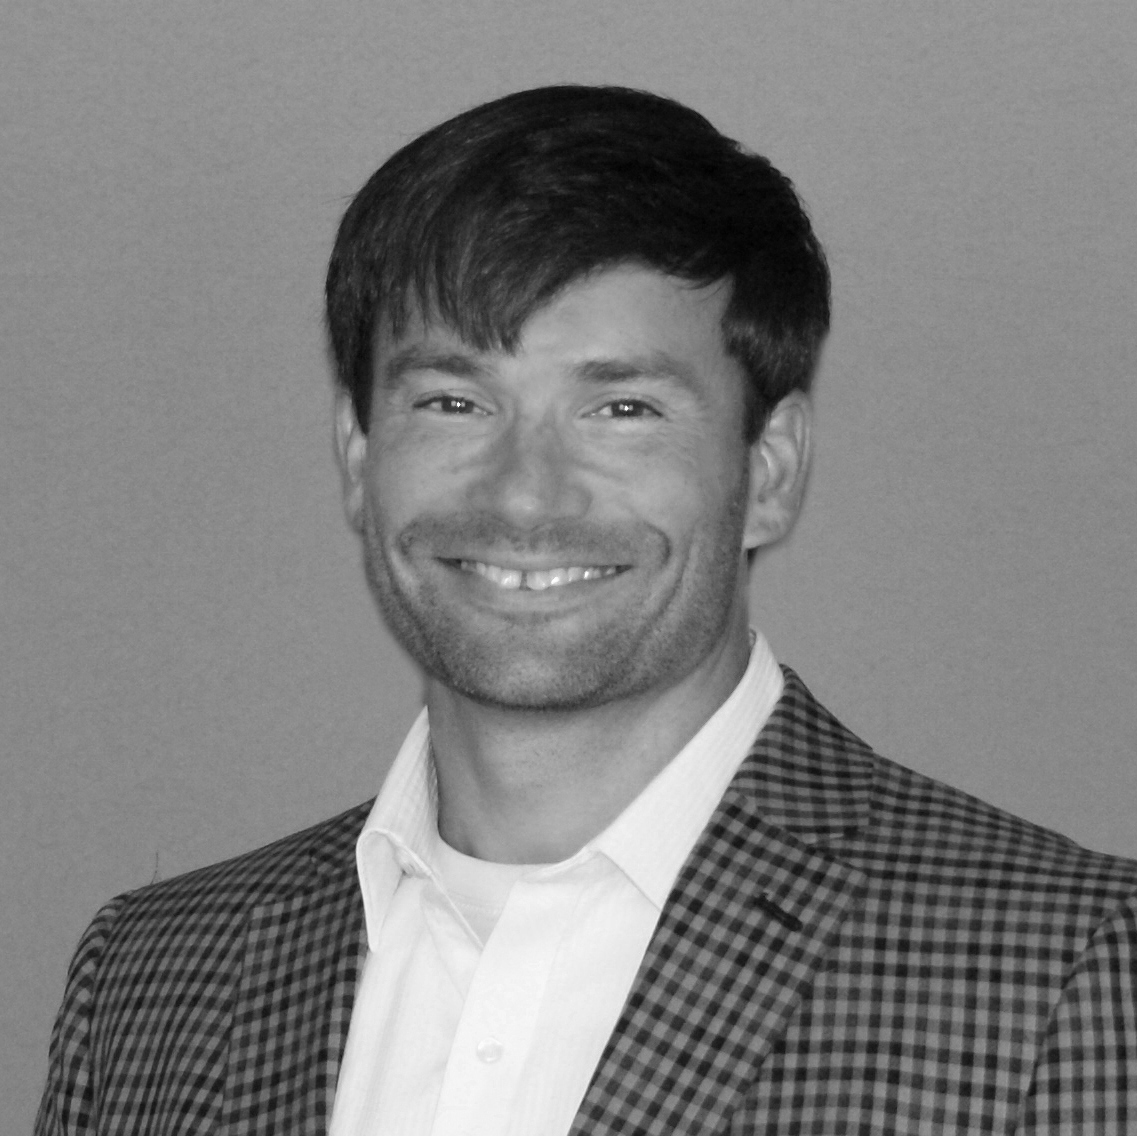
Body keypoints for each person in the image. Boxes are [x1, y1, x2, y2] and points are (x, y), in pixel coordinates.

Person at [36, 85, 1137, 1136]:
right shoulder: (148, 980)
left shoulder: (1067, 971)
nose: (524, 492)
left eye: (621, 407)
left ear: (772, 468)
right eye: (454, 401)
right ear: (357, 455)